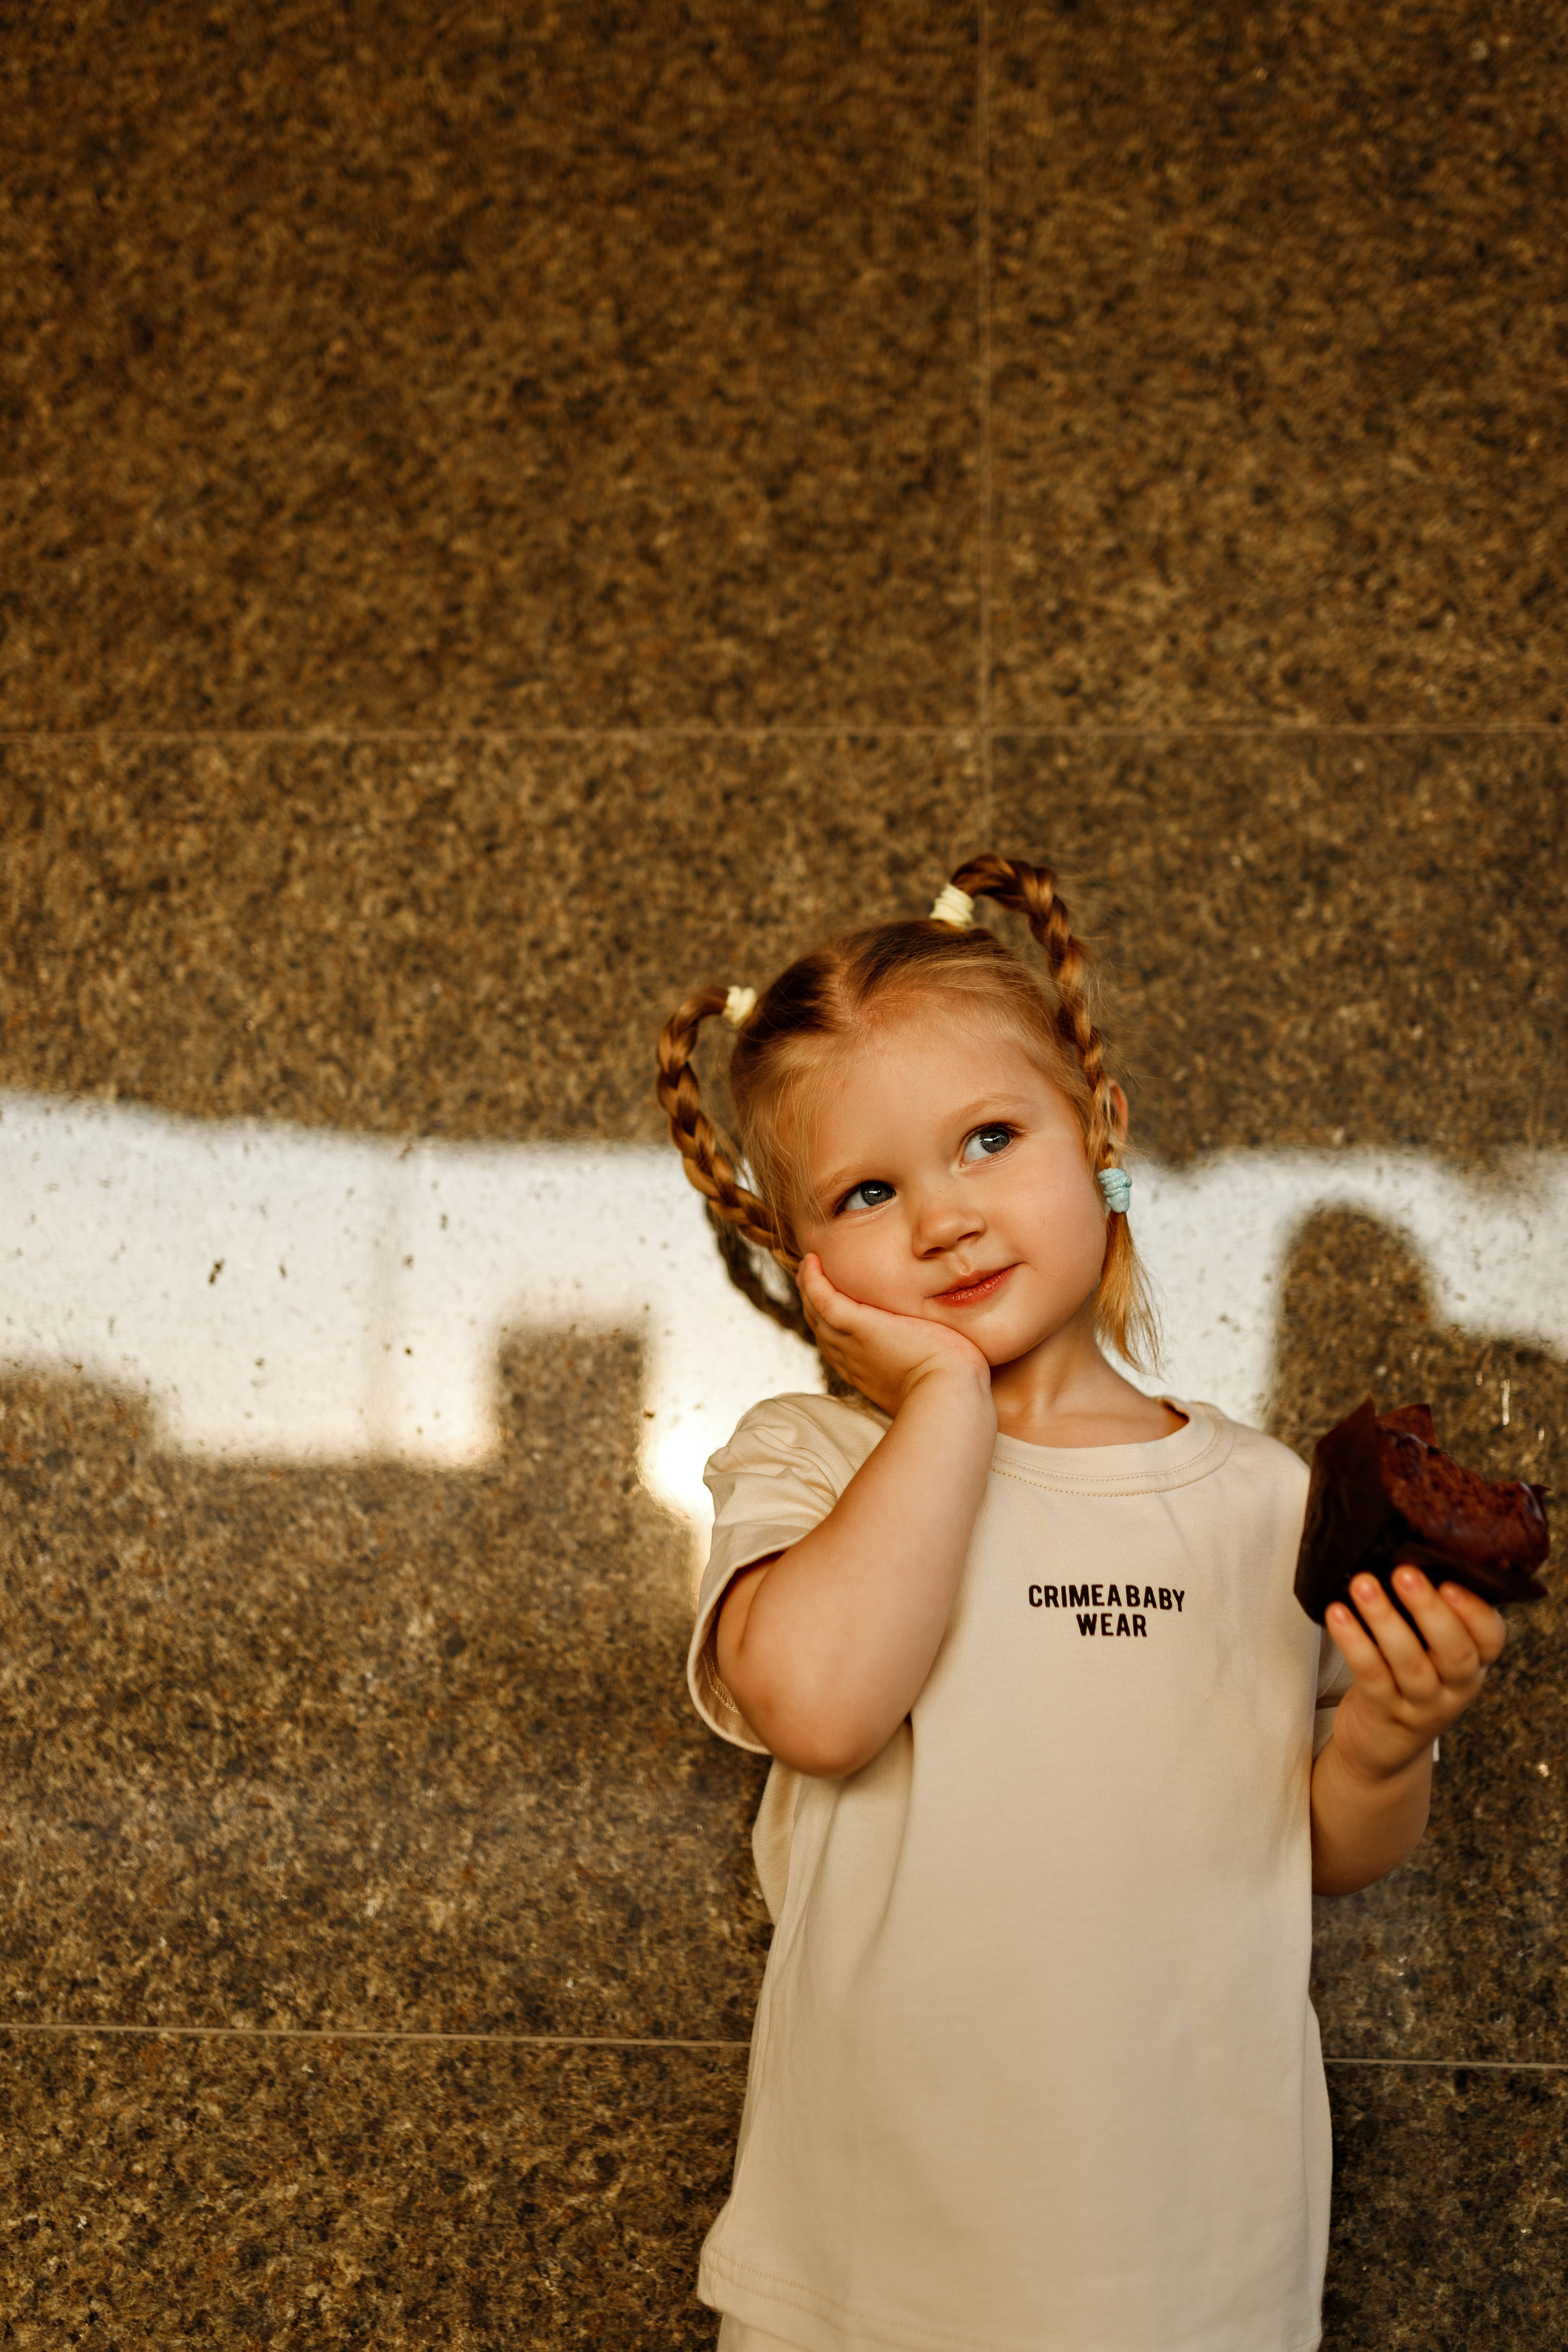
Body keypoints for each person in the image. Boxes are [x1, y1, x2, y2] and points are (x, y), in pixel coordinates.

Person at [654, 853, 1506, 2352]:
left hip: (1191, 2261)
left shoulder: (1261, 1503)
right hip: (869, 2268)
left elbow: (1315, 1851)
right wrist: (938, 1402)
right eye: (868, 1192)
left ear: (1097, 1135)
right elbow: (820, 1705)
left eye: (988, 1138)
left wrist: (1386, 1738)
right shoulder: (808, 1463)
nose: (943, 1218)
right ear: (811, 1269)